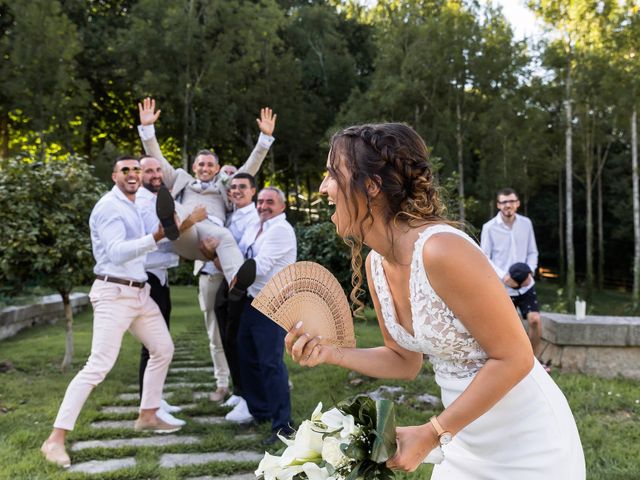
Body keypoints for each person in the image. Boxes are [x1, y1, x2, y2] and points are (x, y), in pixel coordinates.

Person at [285, 124, 585, 478]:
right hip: (462, 438)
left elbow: (516, 356)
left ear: (372, 186)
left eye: (332, 174)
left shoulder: (442, 250)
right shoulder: (375, 264)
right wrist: (331, 353)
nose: (323, 188)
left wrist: (432, 433)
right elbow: (404, 361)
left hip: (527, 441)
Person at [41, 156, 180, 469]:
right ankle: (55, 439)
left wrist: (176, 228)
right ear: (115, 175)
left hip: (140, 293)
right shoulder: (108, 207)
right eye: (126, 170)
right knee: (97, 366)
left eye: (137, 170)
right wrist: (155, 237)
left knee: (163, 349)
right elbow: (117, 252)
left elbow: (152, 244)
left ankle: (148, 414)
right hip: (113, 293)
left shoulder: (132, 204)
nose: (133, 174)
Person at [137, 97, 275, 297]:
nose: (205, 168)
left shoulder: (225, 185)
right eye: (201, 164)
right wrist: (148, 128)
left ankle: (237, 285)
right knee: (176, 205)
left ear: (217, 169)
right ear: (194, 167)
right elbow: (157, 158)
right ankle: (170, 220)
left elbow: (248, 169)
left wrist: (264, 139)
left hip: (213, 233)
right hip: (186, 230)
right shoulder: (180, 179)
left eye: (210, 165)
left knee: (226, 237)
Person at [201, 187, 296, 445]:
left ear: (282, 206)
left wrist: (234, 275)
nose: (263, 206)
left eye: (270, 202)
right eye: (261, 201)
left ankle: (283, 426)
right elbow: (240, 256)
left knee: (270, 363)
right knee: (246, 356)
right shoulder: (258, 227)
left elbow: (259, 266)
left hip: (274, 304)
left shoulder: (280, 230)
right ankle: (261, 410)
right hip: (253, 301)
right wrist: (214, 252)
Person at [136, 155, 206, 424]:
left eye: (157, 170)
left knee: (157, 342)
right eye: (148, 171)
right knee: (152, 346)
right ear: (139, 175)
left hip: (160, 276)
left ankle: (154, 398)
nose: (155, 174)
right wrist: (191, 221)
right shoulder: (143, 203)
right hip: (147, 277)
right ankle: (148, 406)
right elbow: (163, 234)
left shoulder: (162, 198)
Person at [480, 187, 542, 356]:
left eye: (512, 201)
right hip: (503, 286)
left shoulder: (526, 223)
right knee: (508, 328)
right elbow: (485, 257)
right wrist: (504, 277)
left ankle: (534, 361)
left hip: (526, 284)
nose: (508, 205)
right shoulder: (489, 227)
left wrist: (530, 272)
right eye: (504, 202)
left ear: (518, 203)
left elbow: (532, 252)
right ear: (498, 205)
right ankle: (509, 360)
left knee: (535, 320)